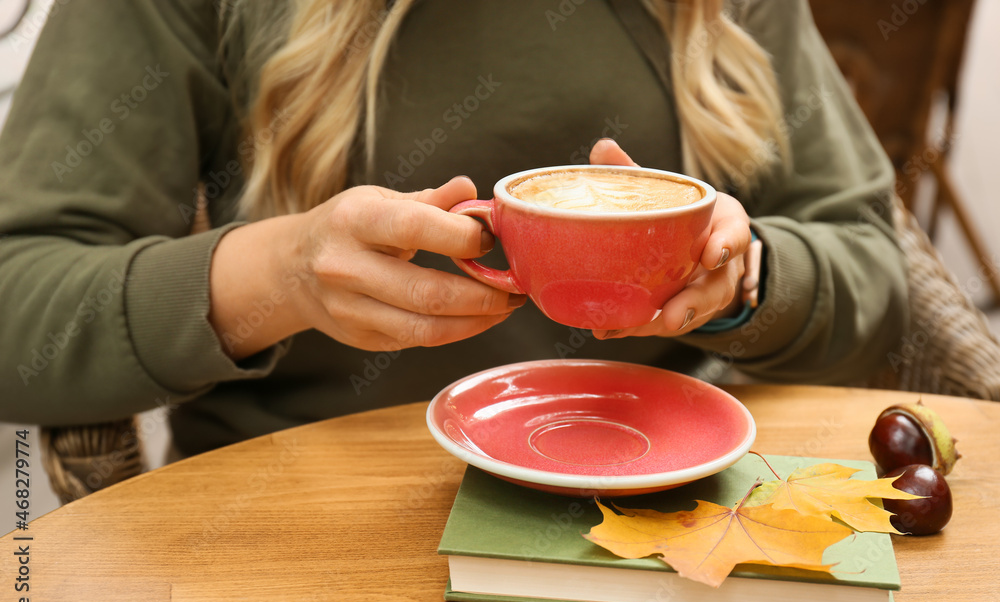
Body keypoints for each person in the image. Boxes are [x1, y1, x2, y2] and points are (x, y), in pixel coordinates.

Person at [0, 0, 907, 457]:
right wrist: (279, 277)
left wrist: (741, 284)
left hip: (666, 531)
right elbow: (17, 314)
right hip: (294, 539)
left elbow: (872, 272)